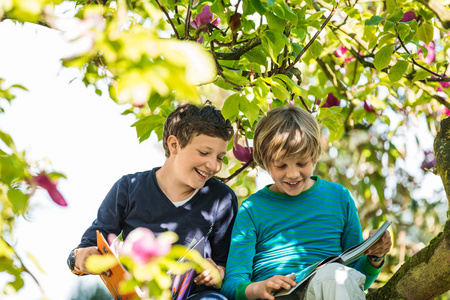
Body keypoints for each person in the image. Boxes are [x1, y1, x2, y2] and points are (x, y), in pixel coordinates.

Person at [67, 101, 238, 299]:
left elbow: (229, 266)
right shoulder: (128, 189)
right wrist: (81, 258)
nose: (214, 165)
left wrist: (218, 273)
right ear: (174, 145)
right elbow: (86, 248)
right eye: (204, 153)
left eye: (219, 157)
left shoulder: (221, 199)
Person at [221, 105, 392, 300]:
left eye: (302, 163)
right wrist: (258, 288)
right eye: (281, 165)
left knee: (336, 275)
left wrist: (375, 257)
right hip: (275, 296)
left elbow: (355, 281)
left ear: (314, 156)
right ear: (266, 162)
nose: (293, 174)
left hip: (326, 290)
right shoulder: (252, 209)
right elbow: (232, 283)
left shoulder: (339, 198)